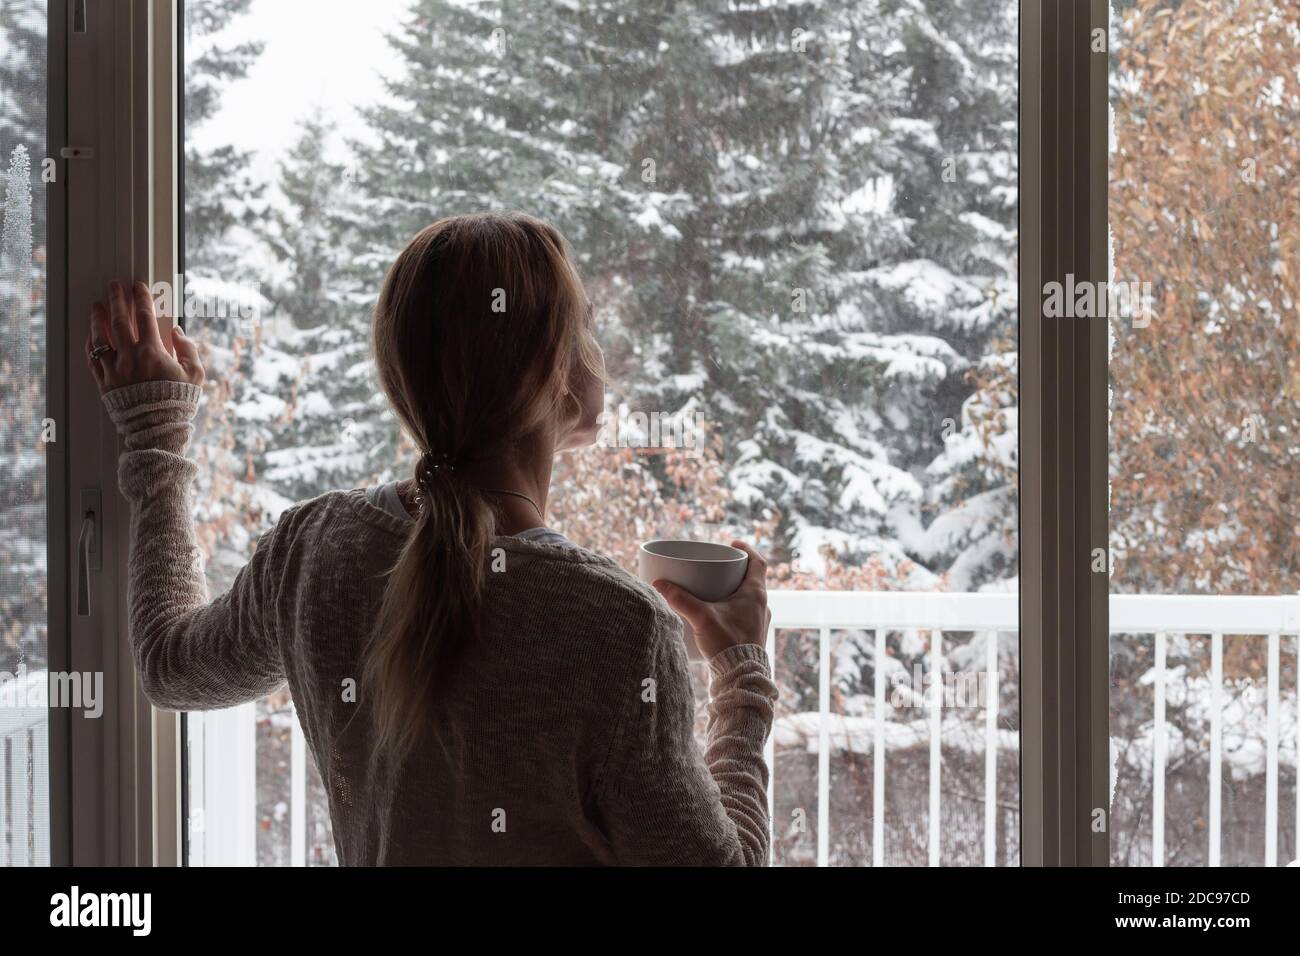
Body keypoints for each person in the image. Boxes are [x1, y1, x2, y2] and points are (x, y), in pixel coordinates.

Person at [86, 212, 778, 865]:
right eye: (585, 326)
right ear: (548, 372)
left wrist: (156, 435)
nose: (601, 350)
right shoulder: (619, 629)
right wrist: (744, 672)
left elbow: (170, 664)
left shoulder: (315, 551)